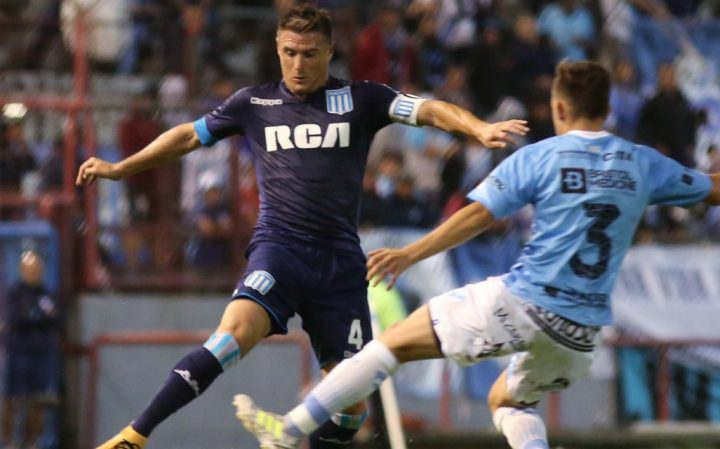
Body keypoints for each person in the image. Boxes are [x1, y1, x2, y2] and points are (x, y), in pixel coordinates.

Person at [231, 60, 720, 449]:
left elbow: (477, 216)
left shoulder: (540, 157)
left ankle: (289, 428)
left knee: (387, 346)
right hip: (582, 332)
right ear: (607, 109)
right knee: (508, 401)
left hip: (526, 302)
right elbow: (719, 189)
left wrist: (410, 254)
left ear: (558, 108)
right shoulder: (642, 162)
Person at [75, 4, 528, 449]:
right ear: (278, 49)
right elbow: (189, 135)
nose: (298, 64)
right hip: (280, 251)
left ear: (329, 51)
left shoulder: (363, 99)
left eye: (309, 54)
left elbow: (429, 109)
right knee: (231, 337)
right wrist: (121, 167)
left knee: (351, 408)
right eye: (289, 52)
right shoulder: (254, 103)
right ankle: (135, 436)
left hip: (339, 267)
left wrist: (477, 129)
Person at [1, 251, 60, 449]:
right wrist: (38, 317)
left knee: (39, 399)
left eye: (37, 270)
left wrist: (35, 316)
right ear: (22, 270)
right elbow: (17, 318)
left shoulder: (46, 294)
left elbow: (56, 318)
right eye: (30, 270)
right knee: (13, 397)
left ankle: (32, 441)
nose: (34, 274)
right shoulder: (15, 293)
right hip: (18, 352)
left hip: (41, 353)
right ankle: (9, 441)